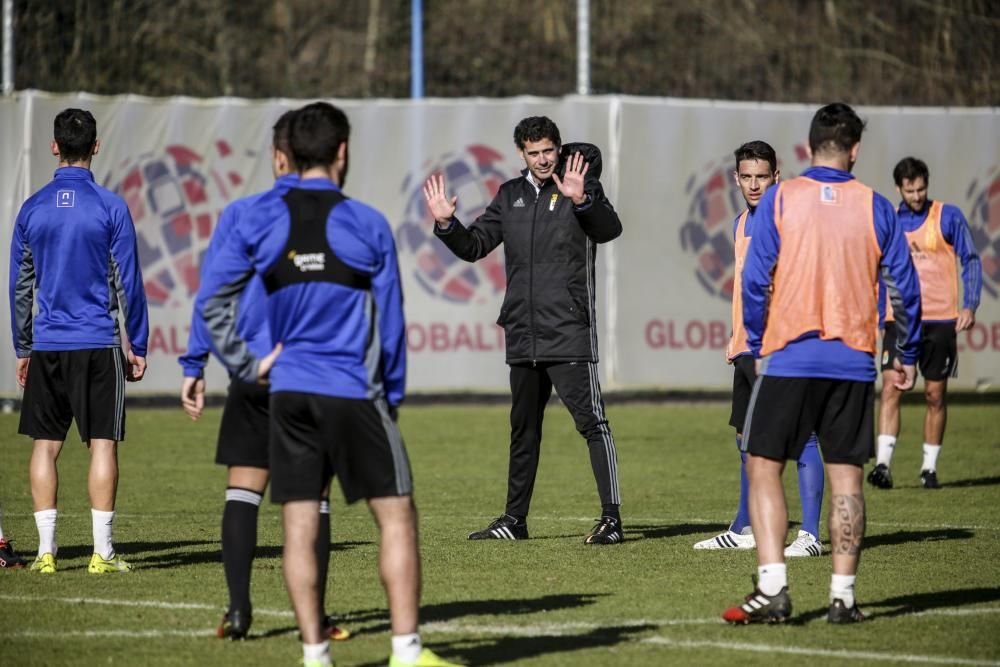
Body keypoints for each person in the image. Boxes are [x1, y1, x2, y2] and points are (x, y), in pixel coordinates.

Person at [196, 102, 458, 667]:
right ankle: (407, 652)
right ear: (342, 152)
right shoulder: (367, 223)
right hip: (352, 392)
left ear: (288, 156)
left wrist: (248, 364)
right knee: (396, 517)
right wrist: (393, 394)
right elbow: (390, 321)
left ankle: (314, 655)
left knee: (297, 522)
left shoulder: (260, 221)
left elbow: (211, 300)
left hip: (286, 395)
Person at [721, 103, 921, 625]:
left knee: (762, 463)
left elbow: (755, 278)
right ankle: (843, 597)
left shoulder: (781, 201)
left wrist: (759, 341)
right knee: (847, 480)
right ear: (855, 150)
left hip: (789, 356)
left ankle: (773, 590)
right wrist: (908, 354)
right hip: (853, 362)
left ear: (808, 148)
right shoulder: (877, 207)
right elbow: (906, 288)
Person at [179, 110, 348, 643]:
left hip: (254, 375)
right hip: (313, 375)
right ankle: (314, 620)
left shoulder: (243, 213)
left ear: (279, 156)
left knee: (242, 493)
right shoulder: (339, 215)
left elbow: (212, 294)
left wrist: (195, 363)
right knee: (313, 500)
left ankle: (238, 611)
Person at [423, 116, 624, 545]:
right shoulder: (510, 195)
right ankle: (514, 521)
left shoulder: (578, 185)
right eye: (533, 153)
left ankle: (612, 519)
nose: (542, 159)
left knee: (592, 424)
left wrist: (583, 198)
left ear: (559, 148)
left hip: (568, 328)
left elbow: (610, 230)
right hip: (523, 332)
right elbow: (474, 246)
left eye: (548, 150)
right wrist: (446, 225)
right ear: (521, 154)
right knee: (523, 431)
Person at [8, 108, 148, 575]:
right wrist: (138, 342)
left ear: (54, 147)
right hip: (97, 343)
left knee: (46, 446)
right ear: (95, 147)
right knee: (103, 445)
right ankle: (101, 553)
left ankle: (46, 553)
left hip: (48, 344)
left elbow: (19, 285)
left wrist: (24, 346)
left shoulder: (32, 208)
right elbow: (129, 280)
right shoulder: (110, 206)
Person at [693, 141, 824, 558]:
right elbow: (745, 290)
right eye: (746, 176)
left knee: (802, 436)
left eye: (761, 176)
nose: (753, 184)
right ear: (736, 178)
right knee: (745, 438)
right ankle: (745, 526)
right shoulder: (739, 224)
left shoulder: (790, 222)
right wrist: (736, 340)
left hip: (781, 347)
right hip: (747, 349)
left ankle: (812, 535)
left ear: (776, 176)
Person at [869, 157, 981, 490]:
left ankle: (928, 468)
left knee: (935, 394)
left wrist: (970, 304)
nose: (916, 195)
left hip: (939, 319)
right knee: (891, 387)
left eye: (921, 188)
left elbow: (971, 259)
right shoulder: (889, 221)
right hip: (899, 318)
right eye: (910, 190)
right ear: (899, 189)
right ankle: (883, 466)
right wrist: (878, 314)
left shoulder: (947, 216)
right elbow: (878, 271)